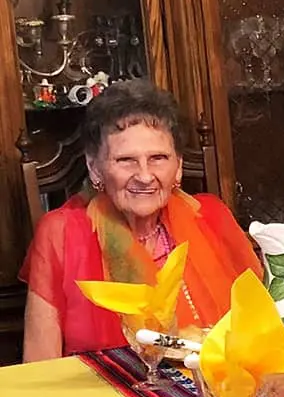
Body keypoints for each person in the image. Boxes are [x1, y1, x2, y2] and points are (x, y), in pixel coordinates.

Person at [20, 80, 261, 361]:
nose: (145, 176)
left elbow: (260, 335)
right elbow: (39, 365)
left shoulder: (212, 217)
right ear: (94, 167)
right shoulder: (59, 233)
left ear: (178, 165)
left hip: (212, 394)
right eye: (126, 160)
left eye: (158, 158)